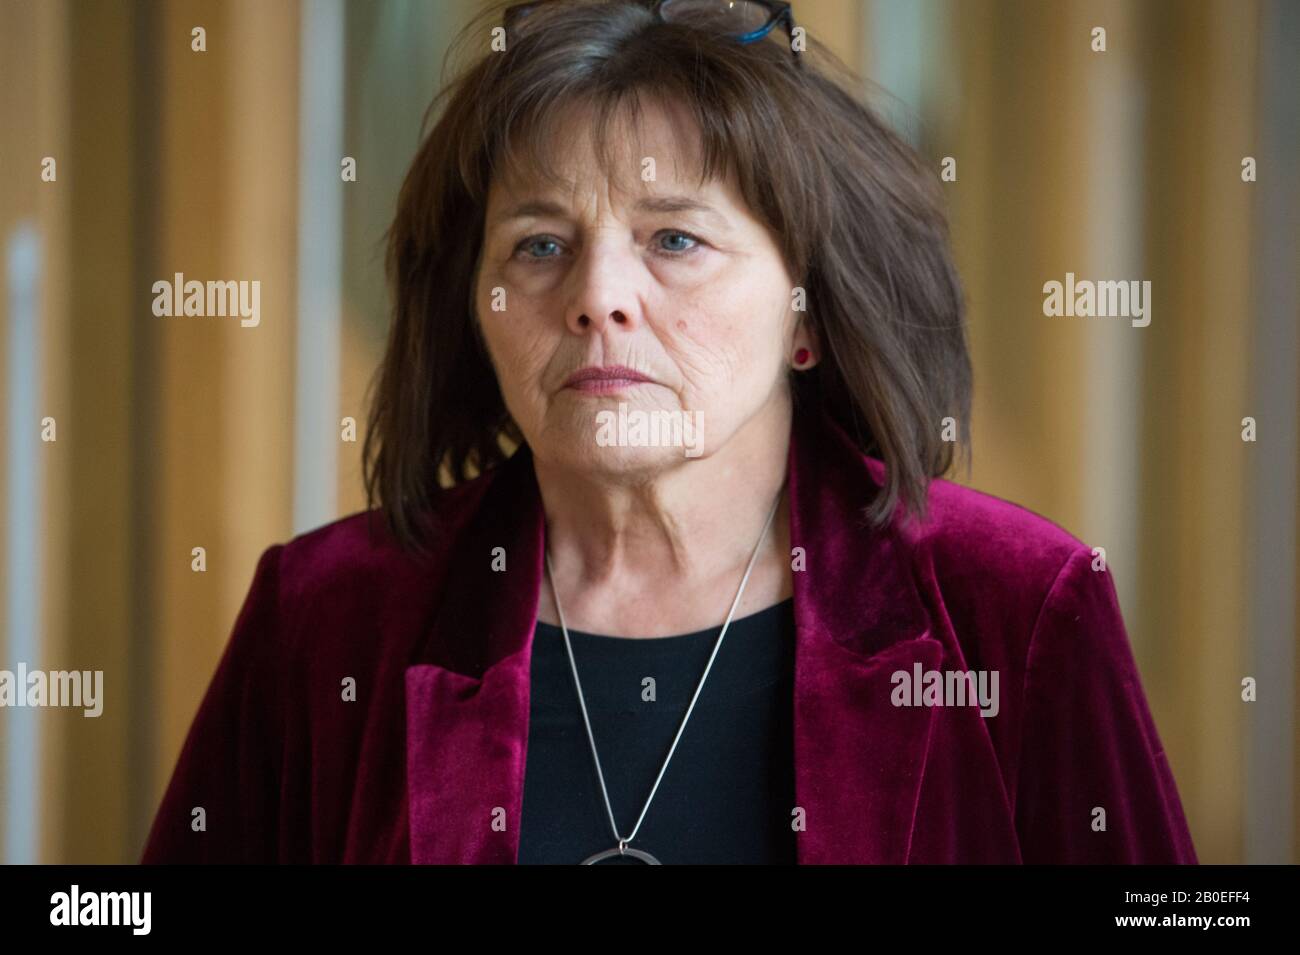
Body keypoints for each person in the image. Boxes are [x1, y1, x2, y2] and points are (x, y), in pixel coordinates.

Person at [141, 0, 1197, 864]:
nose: (599, 296)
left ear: (808, 313)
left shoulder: (1014, 609)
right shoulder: (326, 618)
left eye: (675, 238)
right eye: (539, 243)